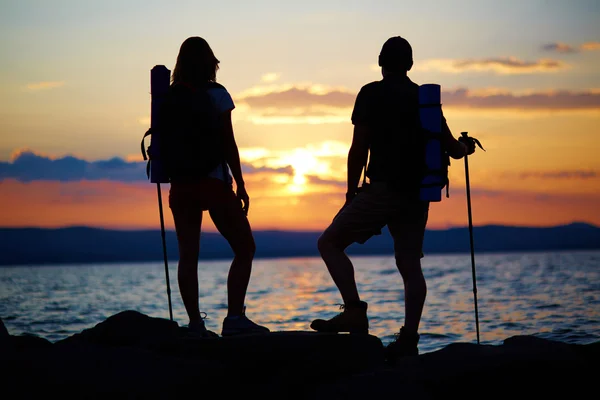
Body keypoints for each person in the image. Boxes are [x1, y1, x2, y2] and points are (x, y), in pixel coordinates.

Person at [310, 36, 476, 361]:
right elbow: (453, 149)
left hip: (382, 189)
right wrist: (467, 147)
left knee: (328, 243)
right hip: (417, 196)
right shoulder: (424, 99)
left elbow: (359, 147)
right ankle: (409, 339)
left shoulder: (370, 93)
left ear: (381, 63)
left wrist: (350, 191)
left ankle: (355, 311)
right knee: (410, 265)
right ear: (410, 64)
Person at [160, 36, 269, 337]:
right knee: (245, 247)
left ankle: (195, 323)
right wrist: (241, 183)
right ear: (211, 62)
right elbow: (227, 142)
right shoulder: (217, 94)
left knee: (188, 256)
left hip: (180, 186)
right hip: (213, 183)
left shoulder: (167, 97)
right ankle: (234, 318)